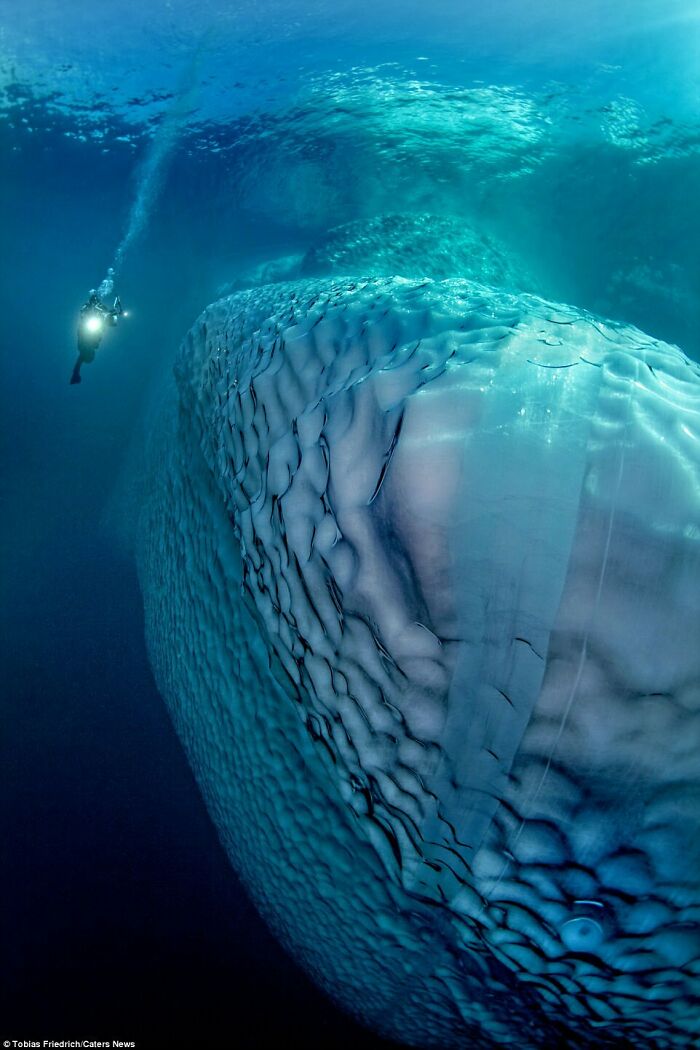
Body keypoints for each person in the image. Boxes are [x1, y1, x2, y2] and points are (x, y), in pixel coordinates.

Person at [70, 289, 124, 385]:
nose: (91, 352)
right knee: (110, 321)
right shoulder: (88, 346)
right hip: (90, 325)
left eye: (89, 354)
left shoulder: (83, 349)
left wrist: (75, 373)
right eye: (91, 353)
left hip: (91, 325)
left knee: (108, 319)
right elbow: (83, 314)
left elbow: (78, 363)